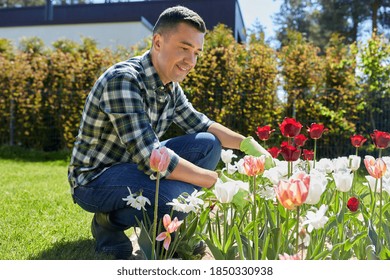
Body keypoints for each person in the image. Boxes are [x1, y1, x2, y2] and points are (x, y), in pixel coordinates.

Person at [68, 5, 271, 260]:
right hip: (96, 180)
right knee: (175, 198)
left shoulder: (170, 87)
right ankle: (108, 224)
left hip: (133, 168)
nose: (191, 60)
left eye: (197, 52)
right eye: (184, 48)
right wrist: (216, 181)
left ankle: (169, 225)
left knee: (208, 144)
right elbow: (149, 156)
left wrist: (249, 146)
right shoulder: (124, 80)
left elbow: (202, 124)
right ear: (158, 42)